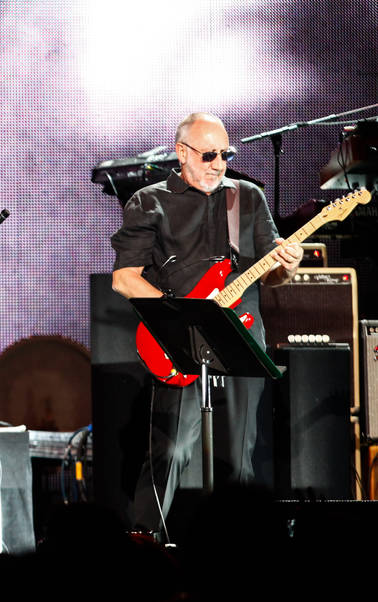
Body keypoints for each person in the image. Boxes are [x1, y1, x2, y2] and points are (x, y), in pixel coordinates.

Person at [109, 112, 303, 535]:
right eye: (209, 154)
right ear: (182, 152)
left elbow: (273, 273)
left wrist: (288, 265)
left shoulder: (246, 197)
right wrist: (176, 314)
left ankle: (241, 550)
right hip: (181, 338)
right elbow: (125, 278)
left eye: (226, 155)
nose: (219, 163)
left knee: (240, 457)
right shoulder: (149, 200)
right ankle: (147, 543)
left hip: (240, 337)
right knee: (172, 451)